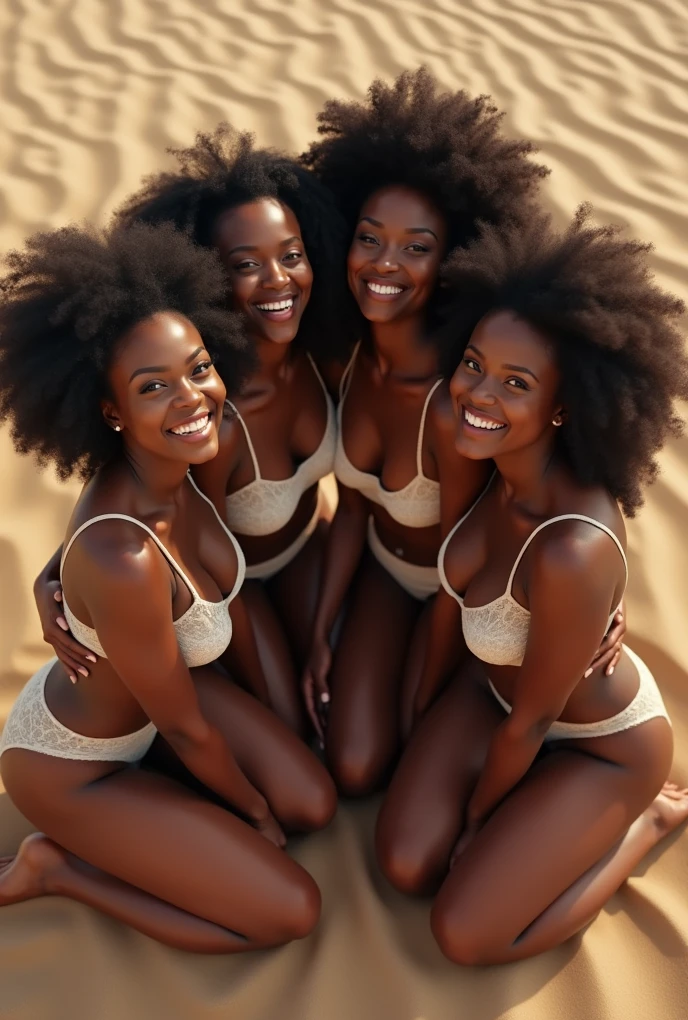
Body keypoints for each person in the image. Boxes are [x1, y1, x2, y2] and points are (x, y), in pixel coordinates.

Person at [0, 222, 336, 953]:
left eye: (199, 367)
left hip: (155, 696)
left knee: (315, 801)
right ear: (111, 412)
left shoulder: (177, 463)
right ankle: (56, 869)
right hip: (78, 767)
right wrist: (252, 814)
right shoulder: (124, 557)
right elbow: (185, 725)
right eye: (154, 387)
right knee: (290, 911)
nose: (192, 397)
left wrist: (51, 569)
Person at [375, 206, 688, 965]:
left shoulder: (569, 550)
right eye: (475, 363)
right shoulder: (470, 443)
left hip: (592, 743)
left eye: (517, 383)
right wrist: (420, 720)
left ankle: (643, 826)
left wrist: (482, 823)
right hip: (492, 696)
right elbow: (454, 601)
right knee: (403, 866)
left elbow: (533, 722)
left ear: (563, 406)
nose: (480, 395)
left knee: (465, 932)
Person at [300, 67, 619, 795]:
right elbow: (350, 507)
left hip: (468, 600)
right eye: (368, 238)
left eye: (416, 247)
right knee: (352, 767)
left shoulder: (462, 397)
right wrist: (324, 627)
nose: (385, 264)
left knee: (406, 751)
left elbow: (566, 463)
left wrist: (609, 587)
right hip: (382, 572)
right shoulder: (337, 358)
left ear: (453, 261)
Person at [33, 125, 356, 736]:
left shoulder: (327, 358)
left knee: (340, 725)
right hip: (233, 592)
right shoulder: (204, 410)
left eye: (291, 255)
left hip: (309, 554)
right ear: (205, 277)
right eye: (245, 265)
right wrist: (54, 571)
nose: (279, 281)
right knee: (300, 730)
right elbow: (143, 492)